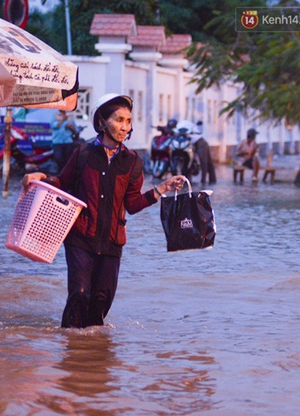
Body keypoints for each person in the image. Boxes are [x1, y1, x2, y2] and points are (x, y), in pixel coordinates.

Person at [21, 93, 185, 329]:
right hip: (80, 238)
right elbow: (63, 183)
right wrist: (42, 177)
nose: (124, 127)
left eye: (128, 121)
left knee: (100, 302)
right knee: (78, 294)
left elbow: (132, 204)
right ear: (102, 122)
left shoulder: (132, 162)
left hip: (112, 242)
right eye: (119, 120)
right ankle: (70, 350)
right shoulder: (83, 154)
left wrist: (160, 189)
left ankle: (95, 357)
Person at [193, 120, 217, 185]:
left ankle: (204, 180)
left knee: (204, 162)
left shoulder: (195, 129)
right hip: (200, 143)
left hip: (201, 144)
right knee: (208, 162)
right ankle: (212, 179)